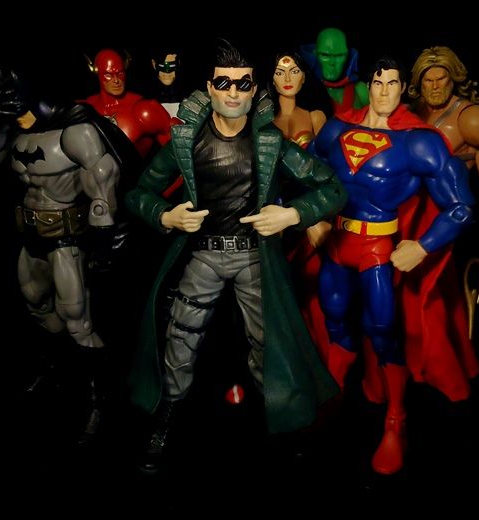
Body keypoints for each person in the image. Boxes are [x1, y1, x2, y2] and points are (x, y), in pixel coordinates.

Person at [124, 40, 347, 474]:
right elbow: (137, 194)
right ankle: (167, 413)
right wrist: (166, 215)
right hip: (204, 254)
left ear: (254, 89)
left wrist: (291, 214)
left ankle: (283, 421)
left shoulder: (270, 143)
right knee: (181, 336)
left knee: (270, 343)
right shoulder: (186, 142)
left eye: (243, 84)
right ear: (209, 87)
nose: (232, 92)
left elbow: (333, 188)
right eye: (223, 83)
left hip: (253, 256)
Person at [308, 56, 475, 475]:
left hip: (378, 249)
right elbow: (301, 171)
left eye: (393, 83)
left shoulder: (418, 142)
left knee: (383, 330)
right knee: (334, 320)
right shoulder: (337, 128)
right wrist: (310, 218)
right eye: (378, 83)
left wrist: (423, 246)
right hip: (336, 243)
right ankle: (332, 396)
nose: (384, 91)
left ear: (403, 89)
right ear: (369, 86)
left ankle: (396, 418)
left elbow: (460, 206)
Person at [0, 69, 130, 442]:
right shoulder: (15, 133)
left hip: (67, 241)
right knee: (36, 304)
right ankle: (58, 371)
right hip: (30, 237)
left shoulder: (75, 131)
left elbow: (103, 185)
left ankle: (97, 397)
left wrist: (104, 239)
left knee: (78, 320)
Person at [408, 46, 479, 335]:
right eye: (428, 80)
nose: (434, 86)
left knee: (440, 311)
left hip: (449, 220)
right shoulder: (408, 114)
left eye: (441, 79)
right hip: (406, 218)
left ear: (453, 79)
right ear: (419, 82)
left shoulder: (472, 119)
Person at [270, 50, 332, 354]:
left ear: (305, 77)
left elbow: (329, 172)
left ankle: (321, 351)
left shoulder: (315, 117)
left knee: (317, 287)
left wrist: (318, 215)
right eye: (280, 72)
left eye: (294, 71)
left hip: (310, 210)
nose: (287, 78)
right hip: (275, 212)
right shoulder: (263, 121)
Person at [84, 48, 172, 161]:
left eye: (120, 73)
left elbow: (180, 147)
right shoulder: (86, 107)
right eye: (108, 75)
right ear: (97, 73)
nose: (116, 80)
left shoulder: (144, 109)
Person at [300, 27, 369, 114]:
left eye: (339, 56)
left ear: (348, 55)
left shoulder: (360, 90)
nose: (332, 63)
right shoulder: (302, 91)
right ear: (315, 54)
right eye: (325, 55)